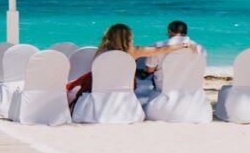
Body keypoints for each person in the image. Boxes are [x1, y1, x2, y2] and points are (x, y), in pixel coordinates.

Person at [67, 23, 196, 107]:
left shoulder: (102, 49)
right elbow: (162, 50)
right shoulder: (135, 50)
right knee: (142, 76)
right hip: (124, 86)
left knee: (80, 82)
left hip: (99, 84)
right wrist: (184, 45)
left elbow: (94, 67)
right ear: (129, 36)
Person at [143, 20, 207, 92]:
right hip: (192, 90)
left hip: (164, 89)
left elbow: (150, 69)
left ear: (169, 31)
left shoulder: (158, 46)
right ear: (185, 32)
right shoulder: (201, 48)